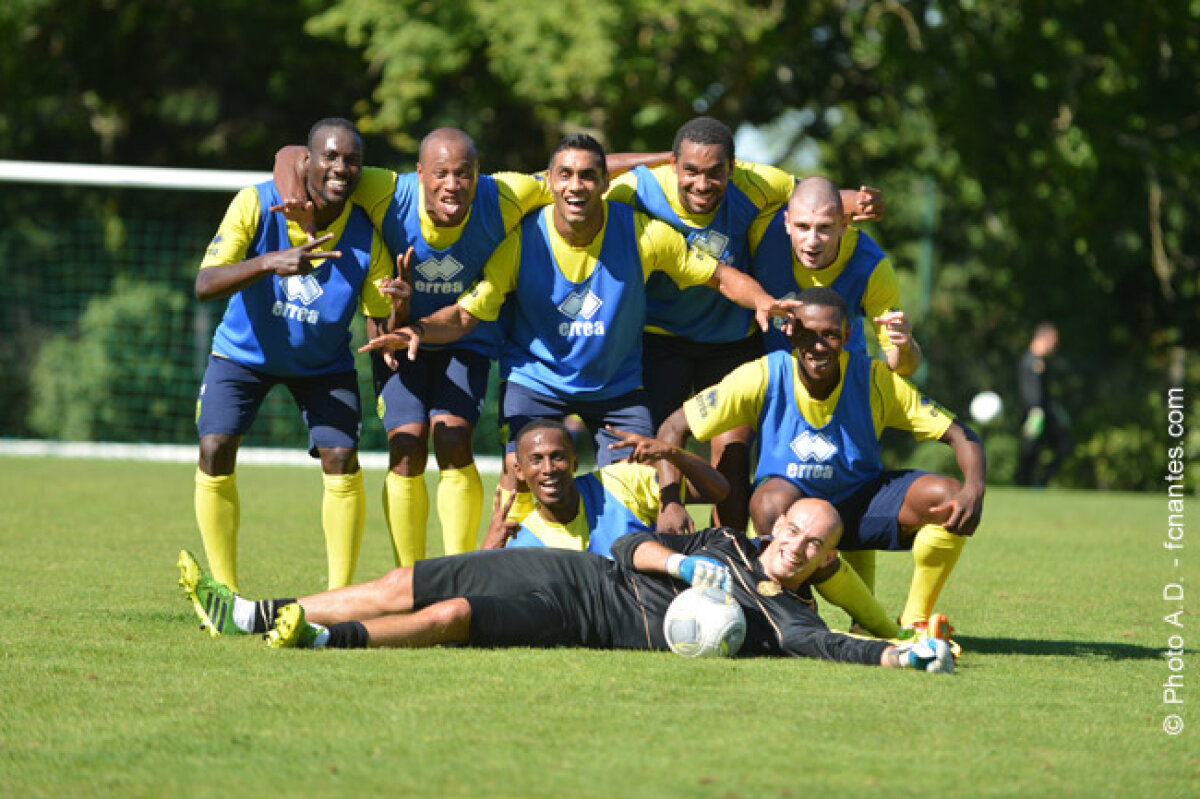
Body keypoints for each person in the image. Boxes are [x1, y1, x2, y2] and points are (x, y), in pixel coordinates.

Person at [273, 130, 663, 567]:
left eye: (463, 173)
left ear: (478, 175)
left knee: (454, 438)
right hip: (398, 335)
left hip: (467, 338)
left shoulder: (506, 194)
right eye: (440, 173)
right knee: (407, 443)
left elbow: (585, 171)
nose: (452, 184)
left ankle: (459, 570)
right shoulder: (388, 189)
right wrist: (294, 201)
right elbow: (293, 152)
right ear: (420, 174)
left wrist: (666, 157)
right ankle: (412, 575)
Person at [361, 133, 784, 527]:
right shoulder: (523, 239)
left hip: (616, 387)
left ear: (605, 183)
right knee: (520, 475)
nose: (575, 185)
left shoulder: (643, 235)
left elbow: (720, 277)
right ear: (551, 181)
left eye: (587, 176)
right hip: (536, 381)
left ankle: (622, 584)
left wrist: (763, 301)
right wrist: (417, 328)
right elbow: (467, 315)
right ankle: (513, 575)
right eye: (565, 175)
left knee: (636, 489)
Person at [176, 497, 955, 673]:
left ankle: (319, 637)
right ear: (776, 525)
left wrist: (899, 656)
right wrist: (680, 563)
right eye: (791, 531)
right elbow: (626, 541)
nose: (794, 547)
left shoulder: (784, 614)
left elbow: (832, 643)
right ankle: (247, 612)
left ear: (824, 562)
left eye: (812, 546)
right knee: (403, 577)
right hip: (577, 565)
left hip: (580, 613)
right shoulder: (722, 541)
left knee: (449, 613)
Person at [657, 287, 986, 637]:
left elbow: (961, 435)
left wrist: (975, 489)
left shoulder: (874, 378)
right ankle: (794, 606)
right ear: (789, 332)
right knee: (770, 501)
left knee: (950, 497)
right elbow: (673, 427)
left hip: (860, 504)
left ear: (847, 335)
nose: (817, 346)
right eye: (807, 334)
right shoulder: (762, 375)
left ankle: (914, 623)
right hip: (794, 516)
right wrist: (670, 501)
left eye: (829, 334)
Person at [607, 117, 885, 531]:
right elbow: (583, 171)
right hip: (659, 340)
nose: (703, 183)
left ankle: (733, 562)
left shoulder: (758, 183)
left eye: (715, 172)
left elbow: (812, 197)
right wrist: (656, 159)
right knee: (654, 457)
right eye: (691, 171)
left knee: (733, 462)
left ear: (733, 168)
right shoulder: (638, 188)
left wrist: (855, 201)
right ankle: (647, 563)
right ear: (673, 166)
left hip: (731, 341)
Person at [192, 118, 403, 592]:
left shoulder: (367, 235)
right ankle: (226, 591)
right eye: (330, 156)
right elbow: (205, 283)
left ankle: (338, 595)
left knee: (342, 456)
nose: (340, 168)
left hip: (323, 364)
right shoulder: (256, 202)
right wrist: (269, 262)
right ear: (306, 160)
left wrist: (400, 307)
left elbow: (379, 316)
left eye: (351, 160)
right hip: (243, 354)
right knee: (214, 447)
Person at [748, 175, 922, 599]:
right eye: (804, 227)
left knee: (853, 493)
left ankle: (863, 613)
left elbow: (903, 364)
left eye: (825, 228)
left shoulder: (871, 265)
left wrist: (903, 346)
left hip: (845, 394)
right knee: (770, 497)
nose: (812, 239)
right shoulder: (760, 234)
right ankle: (782, 597)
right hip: (779, 386)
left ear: (845, 226)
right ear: (787, 223)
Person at [484, 419, 730, 556]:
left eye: (557, 457)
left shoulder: (621, 481)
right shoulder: (525, 541)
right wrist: (488, 549)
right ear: (520, 471)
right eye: (536, 460)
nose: (548, 469)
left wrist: (672, 455)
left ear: (574, 463)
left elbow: (718, 490)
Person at [1016, 322, 1070, 487]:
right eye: (1054, 341)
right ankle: (1023, 484)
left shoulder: (1041, 362)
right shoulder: (1029, 361)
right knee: (1030, 451)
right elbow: (1028, 391)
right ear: (1044, 339)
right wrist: (1034, 410)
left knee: (1063, 447)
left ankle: (1040, 483)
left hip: (1046, 413)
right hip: (1035, 414)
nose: (1055, 345)